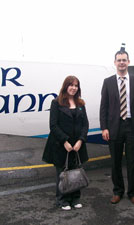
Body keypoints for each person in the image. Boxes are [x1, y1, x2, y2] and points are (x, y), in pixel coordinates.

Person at [99, 50, 134, 205]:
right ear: (115, 62)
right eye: (119, 60)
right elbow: (103, 107)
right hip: (114, 127)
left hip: (132, 126)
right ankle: (118, 191)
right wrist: (104, 127)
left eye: (124, 60)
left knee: (133, 162)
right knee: (115, 162)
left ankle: (133, 192)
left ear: (129, 62)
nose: (122, 63)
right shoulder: (108, 82)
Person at [42, 75, 89, 211]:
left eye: (76, 86)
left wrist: (81, 140)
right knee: (63, 173)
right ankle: (62, 199)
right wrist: (65, 141)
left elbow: (85, 124)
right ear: (65, 86)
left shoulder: (80, 104)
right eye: (71, 85)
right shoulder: (56, 103)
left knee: (76, 173)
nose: (73, 88)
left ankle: (75, 198)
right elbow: (53, 125)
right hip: (61, 145)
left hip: (77, 145)